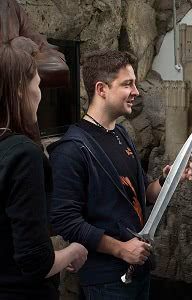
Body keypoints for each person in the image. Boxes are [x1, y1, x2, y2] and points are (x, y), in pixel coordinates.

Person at [48, 49, 192, 299]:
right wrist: (120, 250)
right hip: (106, 279)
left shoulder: (121, 134)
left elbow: (142, 194)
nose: (136, 92)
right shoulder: (72, 149)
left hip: (138, 269)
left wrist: (165, 182)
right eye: (127, 84)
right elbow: (66, 220)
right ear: (102, 89)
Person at [0, 44, 87, 299]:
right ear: (19, 89)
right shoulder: (23, 155)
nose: (40, 95)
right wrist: (74, 251)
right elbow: (35, 261)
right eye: (37, 85)